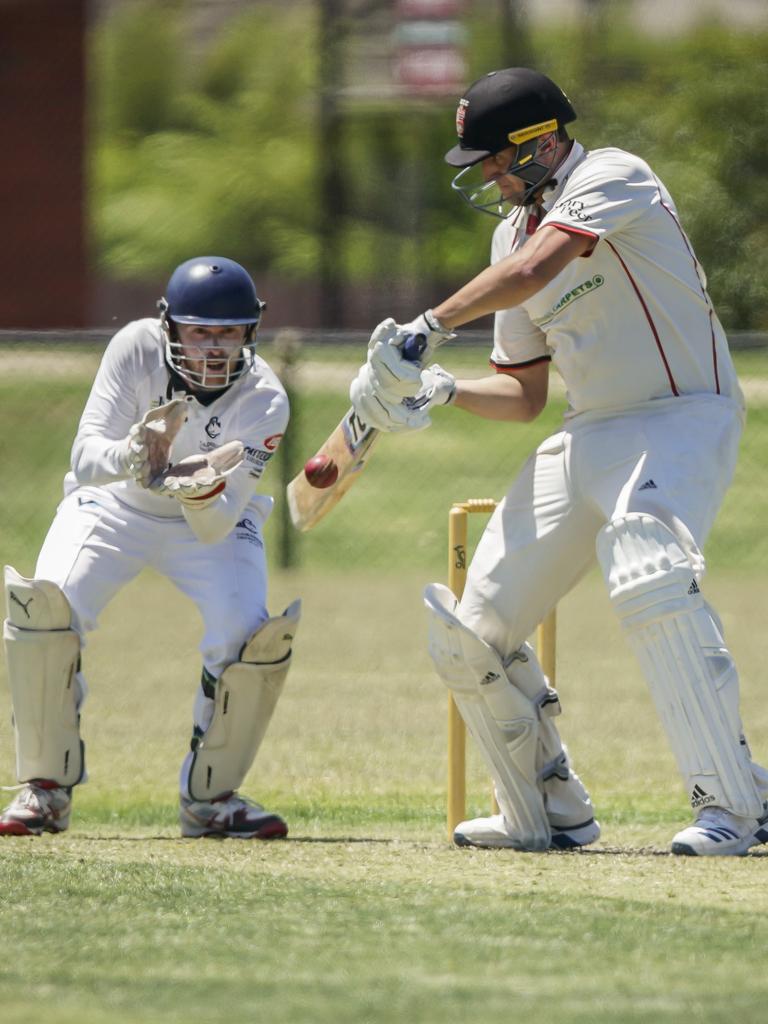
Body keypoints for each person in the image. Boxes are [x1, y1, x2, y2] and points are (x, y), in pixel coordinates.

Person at [350, 68, 768, 856]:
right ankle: (545, 811)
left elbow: (538, 272)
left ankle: (732, 809)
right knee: (471, 630)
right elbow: (521, 394)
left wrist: (428, 327)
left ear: (542, 143)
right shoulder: (508, 235)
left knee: (647, 566)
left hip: (683, 415)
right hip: (588, 432)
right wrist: (440, 390)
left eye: (497, 160)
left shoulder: (614, 175)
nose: (489, 177)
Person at [1, 256, 299, 840]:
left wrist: (193, 486)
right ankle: (44, 790)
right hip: (115, 504)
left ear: (250, 331)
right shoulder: (135, 348)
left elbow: (216, 527)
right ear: (169, 326)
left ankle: (211, 799)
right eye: (199, 332)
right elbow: (87, 458)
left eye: (228, 333)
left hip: (207, 520)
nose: (214, 348)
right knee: (44, 609)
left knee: (250, 638)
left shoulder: (266, 399)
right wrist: (135, 455)